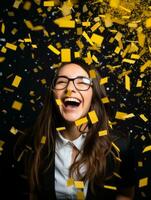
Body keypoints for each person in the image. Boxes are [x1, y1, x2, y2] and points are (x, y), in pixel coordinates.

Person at [9, 59, 136, 200]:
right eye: (62, 82)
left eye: (82, 82)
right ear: (53, 94)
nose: (70, 89)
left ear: (94, 95)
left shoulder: (119, 146)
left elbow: (125, 194)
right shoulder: (29, 142)